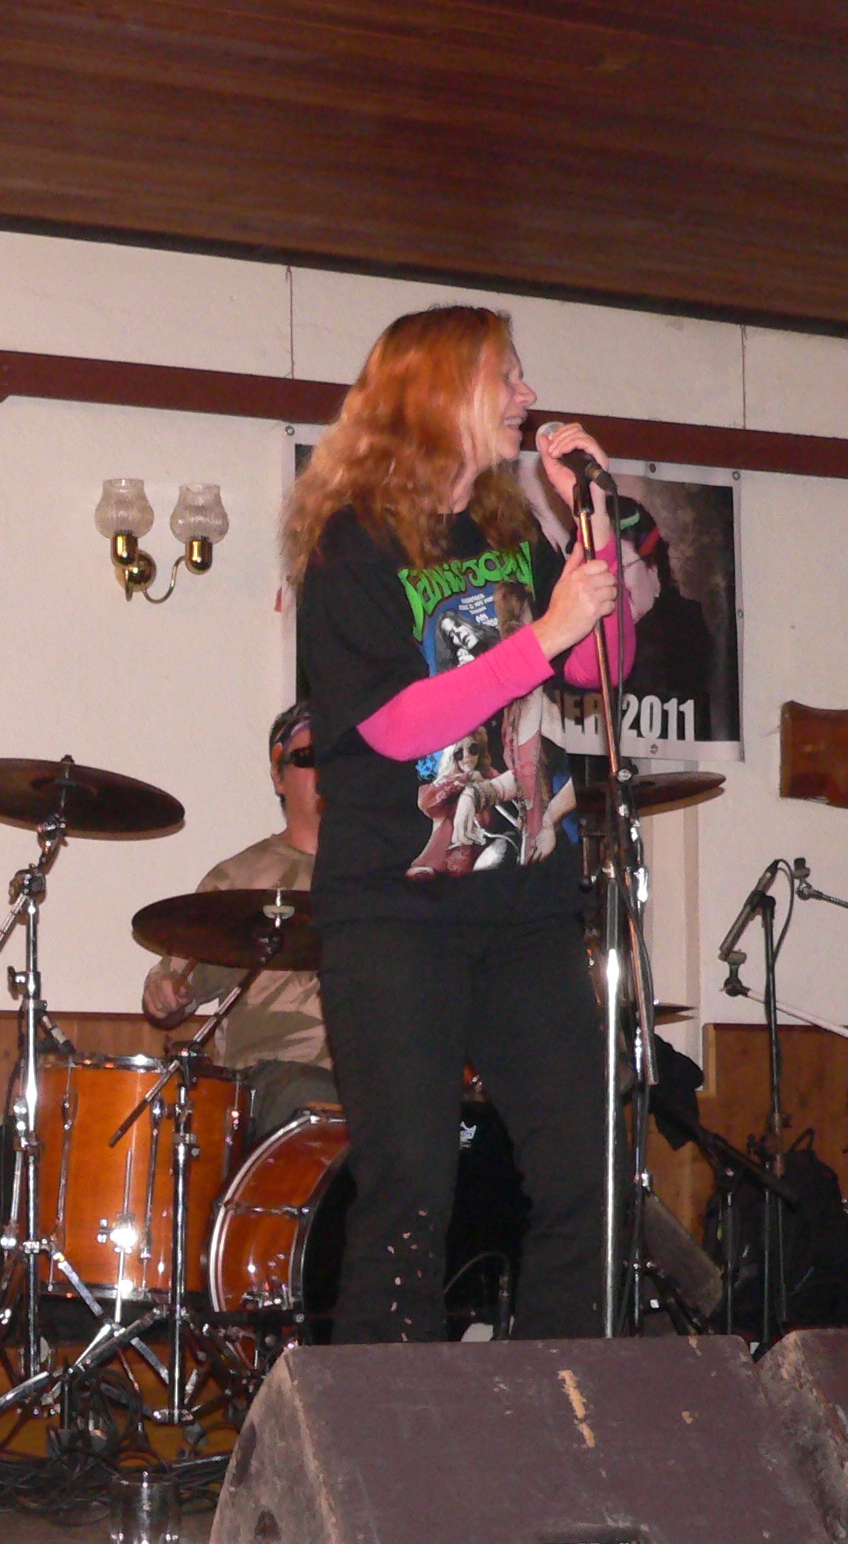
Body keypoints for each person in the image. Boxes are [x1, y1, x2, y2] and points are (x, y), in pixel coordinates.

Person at [285, 304, 627, 1344]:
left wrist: (592, 523)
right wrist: (543, 638)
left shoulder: (509, 531)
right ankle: (388, 1424)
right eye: (506, 374)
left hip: (525, 903)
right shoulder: (351, 544)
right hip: (395, 911)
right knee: (409, 1186)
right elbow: (392, 726)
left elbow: (602, 667)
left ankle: (565, 1397)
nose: (529, 394)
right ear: (439, 391)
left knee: (587, 1168)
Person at [142, 702, 335, 1144]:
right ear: (278, 776)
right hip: (276, 1076)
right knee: (310, 1095)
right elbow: (178, 981)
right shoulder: (239, 880)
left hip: (376, 1071)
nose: (327, 771)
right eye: (309, 757)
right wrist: (165, 991)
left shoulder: (392, 873)